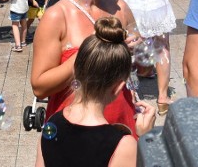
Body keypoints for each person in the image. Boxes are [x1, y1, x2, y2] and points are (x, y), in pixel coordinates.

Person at [31, 0, 145, 135]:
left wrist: (139, 51)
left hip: (120, 122)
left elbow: (145, 70)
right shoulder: (57, 15)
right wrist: (89, 53)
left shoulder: (120, 8)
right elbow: (39, 86)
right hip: (74, 131)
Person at [36, 17, 156, 167]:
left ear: (75, 71)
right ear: (118, 87)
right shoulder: (123, 146)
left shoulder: (51, 124)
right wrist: (146, 139)